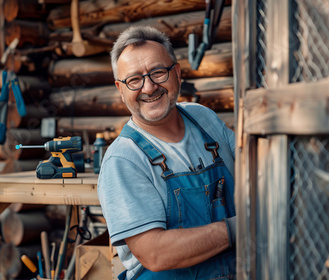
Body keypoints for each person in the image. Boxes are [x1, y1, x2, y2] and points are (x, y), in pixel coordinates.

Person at [97, 25, 237, 280]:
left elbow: (254, 164)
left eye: (158, 72)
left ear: (178, 73)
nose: (149, 88)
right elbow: (155, 254)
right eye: (134, 80)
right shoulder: (123, 160)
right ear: (120, 89)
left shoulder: (203, 118)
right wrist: (239, 229)